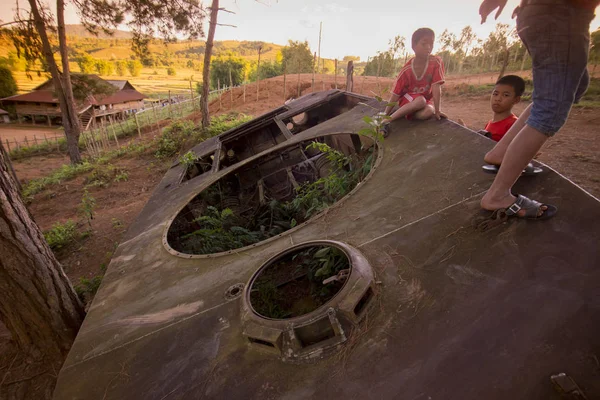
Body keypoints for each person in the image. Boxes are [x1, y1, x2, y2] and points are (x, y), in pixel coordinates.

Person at [478, 0, 596, 220]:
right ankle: (497, 195)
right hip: (562, 14)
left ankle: (499, 153)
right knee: (551, 108)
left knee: (572, 87)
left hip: (542, 13)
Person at [381, 28, 446, 137]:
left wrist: (438, 111)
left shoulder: (436, 62)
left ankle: (406, 115)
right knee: (421, 101)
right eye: (424, 44)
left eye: (431, 44)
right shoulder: (407, 70)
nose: (428, 47)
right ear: (414, 46)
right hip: (408, 99)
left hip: (424, 101)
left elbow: (436, 87)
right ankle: (387, 121)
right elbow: (395, 95)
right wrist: (385, 115)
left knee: (429, 111)